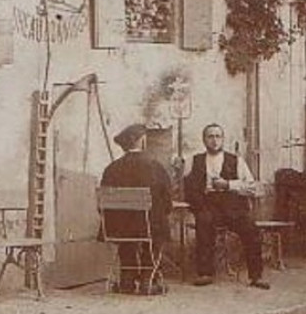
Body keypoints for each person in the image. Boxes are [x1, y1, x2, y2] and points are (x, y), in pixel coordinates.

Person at [184, 124, 269, 289]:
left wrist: (228, 185)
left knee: (251, 229)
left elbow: (252, 187)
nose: (214, 140)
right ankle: (205, 273)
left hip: (232, 206)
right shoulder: (194, 161)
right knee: (204, 222)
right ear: (204, 140)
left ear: (222, 139)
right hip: (207, 204)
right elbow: (187, 188)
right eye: (210, 136)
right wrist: (198, 203)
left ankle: (256, 276)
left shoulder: (236, 160)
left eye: (218, 136)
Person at [98, 123, 174, 294]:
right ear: (143, 141)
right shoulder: (155, 167)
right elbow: (167, 202)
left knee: (128, 234)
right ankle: (148, 277)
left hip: (118, 228)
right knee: (155, 231)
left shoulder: (111, 169)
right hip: (148, 226)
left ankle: (127, 278)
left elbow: (101, 205)